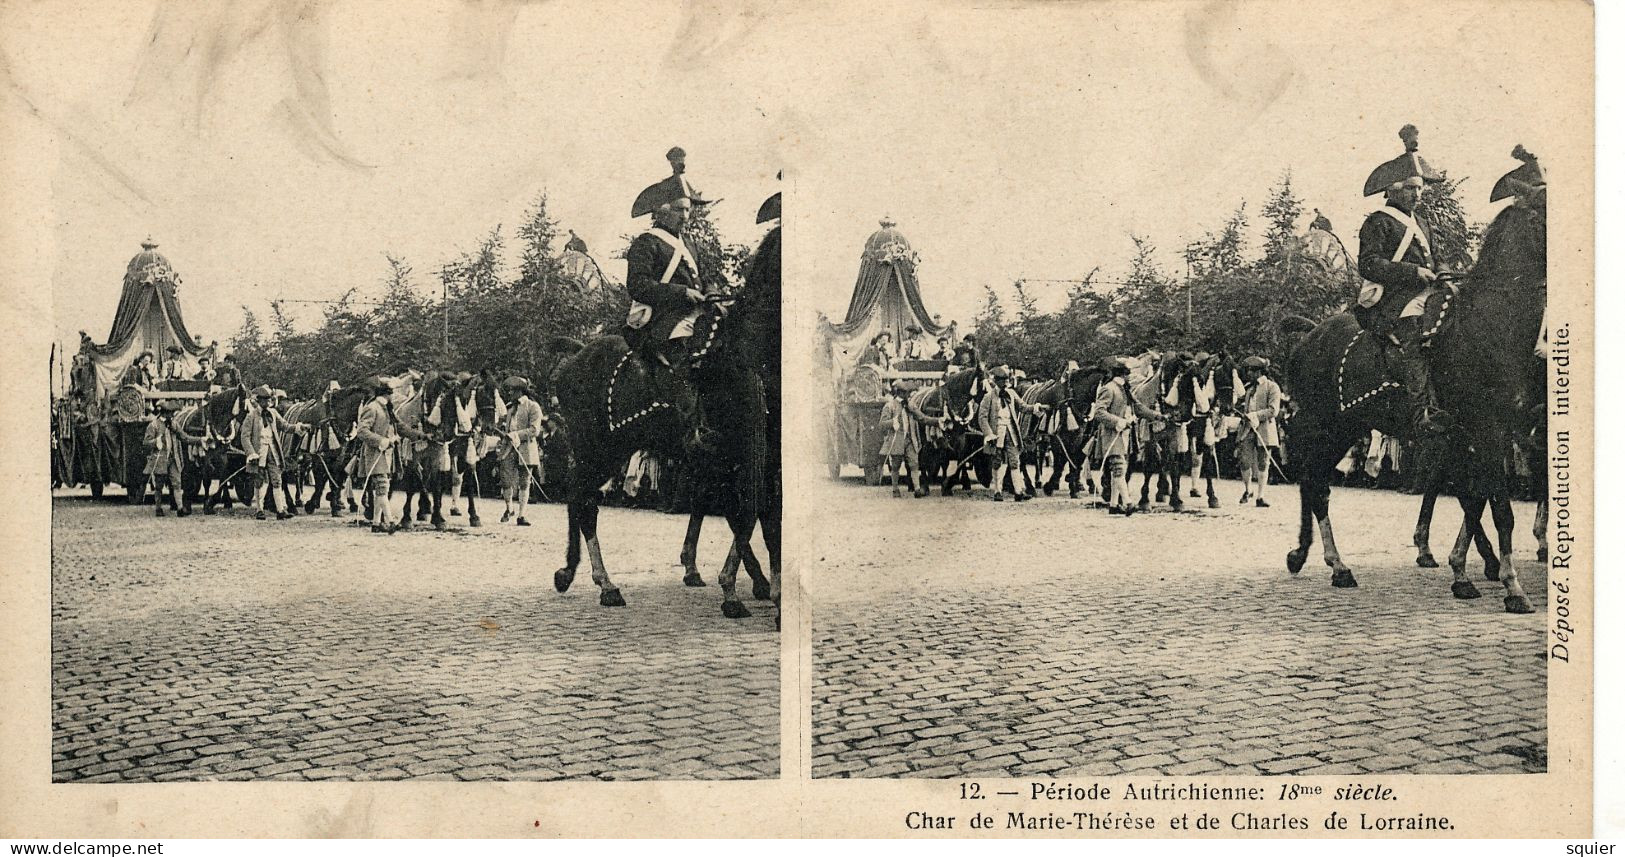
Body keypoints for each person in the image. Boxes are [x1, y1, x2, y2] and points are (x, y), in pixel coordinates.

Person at [1355, 124, 1449, 435]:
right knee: (1416, 340)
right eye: (1411, 188)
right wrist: (1412, 273)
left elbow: (1437, 258)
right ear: (1393, 190)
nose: (1417, 194)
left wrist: (1444, 272)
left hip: (1429, 292)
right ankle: (1419, 413)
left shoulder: (1422, 222)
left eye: (1420, 188)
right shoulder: (1378, 222)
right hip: (1395, 300)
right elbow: (1368, 264)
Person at [625, 181, 714, 451]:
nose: (686, 217)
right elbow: (638, 285)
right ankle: (688, 432)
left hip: (697, 314)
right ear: (661, 211)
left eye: (688, 211)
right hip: (665, 320)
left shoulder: (689, 244)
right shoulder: (646, 243)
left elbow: (705, 278)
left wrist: (711, 293)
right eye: (679, 210)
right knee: (682, 366)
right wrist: (681, 293)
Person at [1091, 358, 1158, 515]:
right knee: (1119, 467)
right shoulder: (1109, 389)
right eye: (1128, 375)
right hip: (1111, 434)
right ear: (1122, 375)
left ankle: (1114, 505)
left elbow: (1139, 408)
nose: (1130, 378)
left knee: (1118, 470)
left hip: (1125, 436)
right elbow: (1099, 412)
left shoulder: (1124, 390)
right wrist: (1118, 421)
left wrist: (1158, 416)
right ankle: (1127, 502)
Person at [977, 365, 1046, 502]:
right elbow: (982, 417)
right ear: (996, 381)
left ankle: (1018, 491)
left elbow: (1023, 407)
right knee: (997, 461)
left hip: (1011, 431)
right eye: (1001, 380)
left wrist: (1037, 407)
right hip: (997, 432)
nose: (1004, 383)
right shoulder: (988, 397)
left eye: (1006, 380)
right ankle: (997, 491)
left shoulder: (1012, 394)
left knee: (1015, 460)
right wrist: (988, 434)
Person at [240, 385, 304, 520]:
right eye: (264, 400)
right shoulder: (251, 416)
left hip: (273, 451)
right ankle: (259, 510)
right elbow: (244, 436)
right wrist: (250, 452)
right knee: (259, 481)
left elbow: (285, 426)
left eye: (269, 400)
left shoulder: (273, 414)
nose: (268, 402)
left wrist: (298, 427)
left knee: (277, 479)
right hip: (258, 452)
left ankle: (280, 510)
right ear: (258, 401)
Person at [497, 376, 546, 526]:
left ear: (520, 391)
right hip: (508, 447)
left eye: (512, 390)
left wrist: (516, 435)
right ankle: (509, 507)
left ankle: (521, 514)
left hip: (525, 447)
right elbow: (506, 425)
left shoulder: (533, 407)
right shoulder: (510, 407)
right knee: (505, 479)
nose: (510, 393)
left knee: (524, 481)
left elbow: (534, 430)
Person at [879, 382, 942, 498]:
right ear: (899, 393)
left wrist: (938, 421)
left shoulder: (910, 406)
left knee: (914, 464)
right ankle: (895, 489)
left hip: (910, 439)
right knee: (896, 465)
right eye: (906, 394)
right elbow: (882, 424)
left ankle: (917, 489)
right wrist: (892, 422)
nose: (908, 396)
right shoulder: (889, 406)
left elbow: (922, 418)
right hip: (896, 439)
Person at [1235, 356, 1282, 507]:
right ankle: (1248, 490)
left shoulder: (1272, 387)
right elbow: (1246, 407)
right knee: (1244, 460)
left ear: (1259, 372)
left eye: (1251, 371)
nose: (1248, 373)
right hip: (1248, 428)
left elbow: (1273, 410)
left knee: (1263, 462)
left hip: (1264, 429)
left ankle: (1261, 496)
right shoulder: (1249, 388)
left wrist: (1256, 415)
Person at [355, 379, 399, 533]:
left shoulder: (387, 409)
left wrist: (420, 436)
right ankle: (390, 521)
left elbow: (401, 427)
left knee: (382, 489)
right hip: (375, 454)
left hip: (386, 455)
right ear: (387, 394)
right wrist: (382, 440)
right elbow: (361, 431)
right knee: (382, 488)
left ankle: (375, 523)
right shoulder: (372, 408)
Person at [142, 400, 186, 517]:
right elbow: (146, 443)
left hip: (173, 458)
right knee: (159, 485)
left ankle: (180, 508)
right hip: (160, 459)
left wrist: (200, 440)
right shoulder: (154, 425)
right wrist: (156, 441)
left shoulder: (174, 425)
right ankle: (158, 507)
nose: (172, 416)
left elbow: (184, 437)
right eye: (170, 413)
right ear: (164, 413)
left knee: (177, 483)